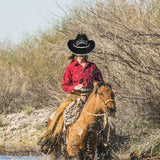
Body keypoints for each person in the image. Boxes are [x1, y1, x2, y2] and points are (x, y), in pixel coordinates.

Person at [39, 34, 107, 154]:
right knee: (59, 114)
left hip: (91, 97)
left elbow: (101, 82)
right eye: (78, 52)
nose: (81, 55)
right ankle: (51, 139)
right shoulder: (70, 68)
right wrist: (74, 87)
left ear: (86, 53)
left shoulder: (92, 67)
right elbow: (64, 86)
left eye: (83, 52)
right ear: (75, 53)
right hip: (74, 96)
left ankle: (104, 145)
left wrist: (107, 89)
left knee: (105, 118)